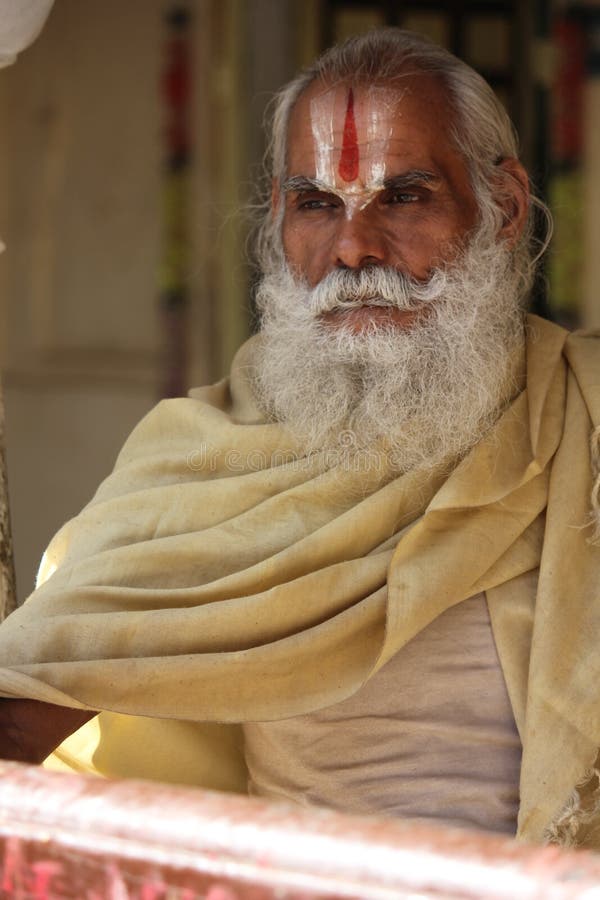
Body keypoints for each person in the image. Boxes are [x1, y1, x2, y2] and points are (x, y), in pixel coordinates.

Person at [0, 29, 599, 848]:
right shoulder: (202, 464)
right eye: (316, 203)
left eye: (404, 197)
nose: (353, 248)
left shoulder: (582, 418)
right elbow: (23, 710)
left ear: (505, 209)